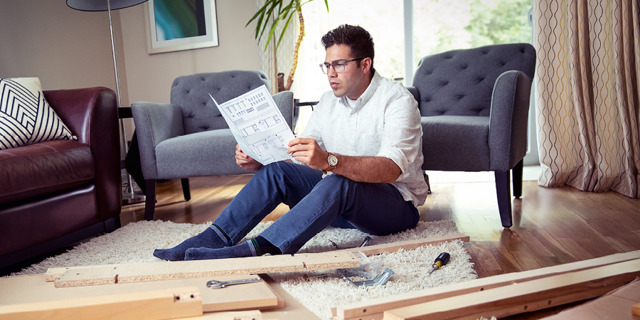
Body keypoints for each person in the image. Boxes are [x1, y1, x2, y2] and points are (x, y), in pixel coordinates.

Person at [153, 24, 428, 261]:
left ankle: (264, 249)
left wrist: (330, 161)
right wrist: (262, 158)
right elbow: (301, 157)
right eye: (327, 65)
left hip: (394, 208)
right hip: (341, 209)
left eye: (339, 65)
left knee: (338, 178)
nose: (331, 73)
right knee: (277, 172)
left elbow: (391, 168)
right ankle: (215, 237)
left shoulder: (397, 100)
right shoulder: (328, 102)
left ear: (365, 64)